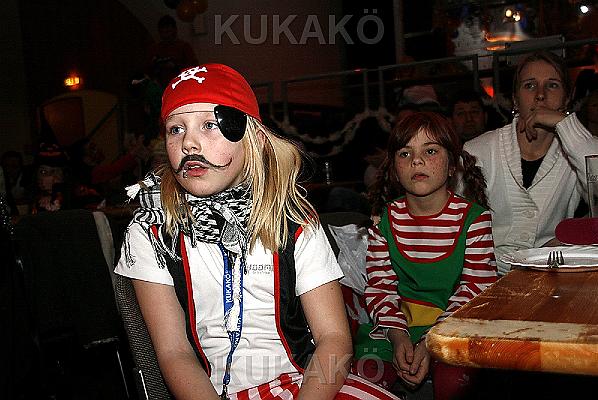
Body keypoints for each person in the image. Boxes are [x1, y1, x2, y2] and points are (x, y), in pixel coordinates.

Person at [114, 64, 400, 399]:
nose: (189, 142)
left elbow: (334, 339)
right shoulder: (151, 231)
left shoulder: (293, 220)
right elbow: (174, 353)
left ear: (254, 140)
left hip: (310, 385)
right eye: (176, 129)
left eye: (209, 125)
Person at [361, 112, 497, 398]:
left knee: (456, 381)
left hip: (453, 328)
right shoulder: (384, 221)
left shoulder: (474, 220)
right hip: (397, 328)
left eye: (430, 151)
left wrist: (429, 341)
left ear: (452, 166)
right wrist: (398, 337)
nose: (417, 161)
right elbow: (380, 288)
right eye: (405, 153)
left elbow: (476, 290)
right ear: (394, 168)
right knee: (366, 372)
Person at [462, 51, 598, 275]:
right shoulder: (477, 150)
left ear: (567, 98)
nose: (540, 95)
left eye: (552, 85)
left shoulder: (577, 148)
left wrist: (566, 124)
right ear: (515, 99)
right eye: (529, 85)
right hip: (482, 277)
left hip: (549, 277)